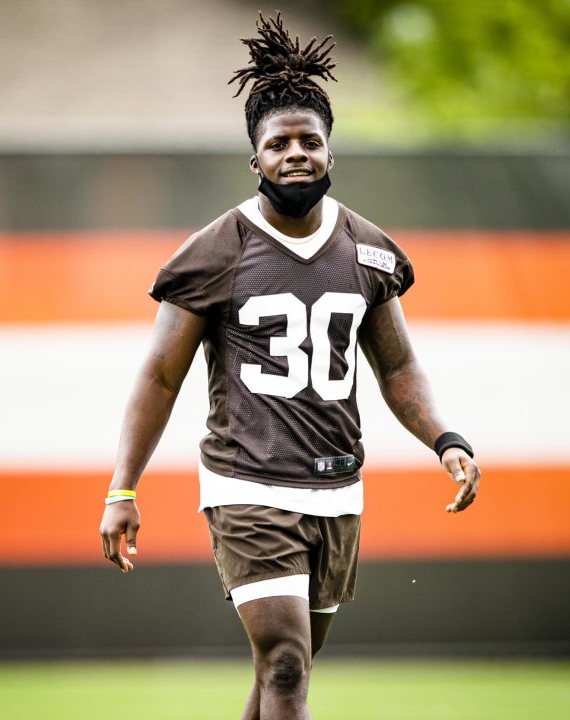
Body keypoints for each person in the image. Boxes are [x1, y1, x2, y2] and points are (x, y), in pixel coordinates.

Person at [99, 12, 480, 720]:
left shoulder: (369, 251)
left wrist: (446, 439)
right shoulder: (216, 251)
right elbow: (158, 375)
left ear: (332, 154)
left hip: (336, 488)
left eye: (311, 141)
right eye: (279, 144)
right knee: (284, 663)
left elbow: (397, 368)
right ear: (256, 160)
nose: (296, 153)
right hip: (247, 484)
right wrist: (122, 488)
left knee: (278, 677)